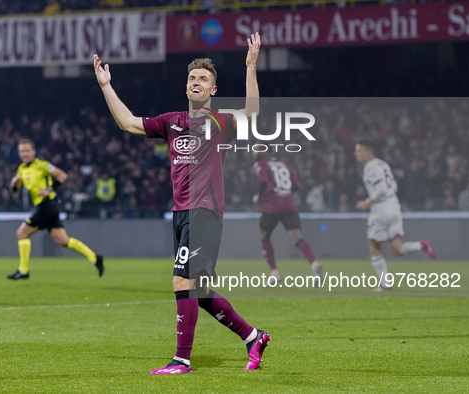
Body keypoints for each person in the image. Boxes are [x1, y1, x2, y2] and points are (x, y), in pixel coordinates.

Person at [94, 32, 270, 375]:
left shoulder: (219, 123)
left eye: (203, 79)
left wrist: (250, 66)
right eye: (192, 77)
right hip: (181, 212)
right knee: (200, 292)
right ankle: (253, 337)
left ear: (212, 90)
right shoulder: (172, 122)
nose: (196, 81)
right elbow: (129, 122)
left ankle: (182, 360)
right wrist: (106, 86)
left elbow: (253, 112)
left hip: (204, 212)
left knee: (181, 281)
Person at [7, 139, 103, 280]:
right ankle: (95, 258)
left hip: (47, 205)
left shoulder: (42, 165)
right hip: (46, 208)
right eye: (22, 151)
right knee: (63, 241)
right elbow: (15, 191)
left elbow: (63, 176)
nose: (25, 154)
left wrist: (49, 189)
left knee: (21, 234)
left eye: (27, 150)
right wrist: (13, 184)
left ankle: (23, 271)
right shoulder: (21, 169)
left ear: (33, 152)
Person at [354, 140, 436, 291]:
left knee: (374, 246)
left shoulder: (370, 167)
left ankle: (385, 284)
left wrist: (367, 201)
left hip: (381, 209)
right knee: (397, 249)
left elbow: (381, 190)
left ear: (368, 151)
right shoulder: (383, 164)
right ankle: (421, 245)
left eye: (359, 151)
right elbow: (393, 185)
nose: (356, 154)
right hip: (394, 205)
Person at [252, 152, 323, 286]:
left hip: (271, 205)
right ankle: (314, 263)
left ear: (264, 151)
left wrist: (259, 197)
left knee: (264, 236)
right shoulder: (284, 164)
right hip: (289, 205)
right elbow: (297, 185)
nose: (254, 152)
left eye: (257, 149)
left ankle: (274, 272)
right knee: (297, 238)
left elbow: (262, 181)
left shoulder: (260, 164)